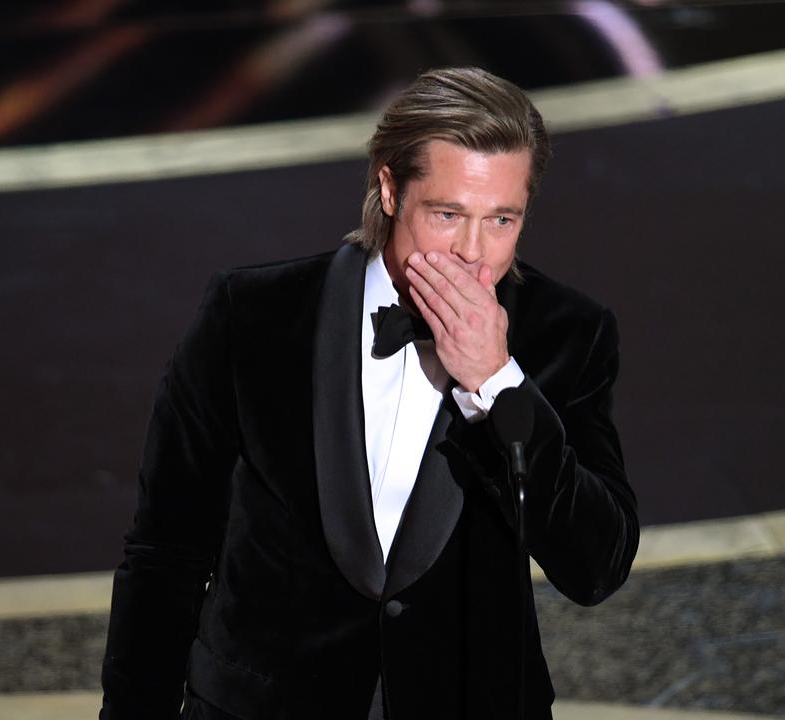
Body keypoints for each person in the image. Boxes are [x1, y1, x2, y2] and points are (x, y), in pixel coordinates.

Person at [99, 67, 639, 720]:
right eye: (447, 214)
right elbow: (166, 551)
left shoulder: (565, 333)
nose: (474, 253)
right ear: (389, 188)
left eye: (501, 219)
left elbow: (596, 567)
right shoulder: (251, 316)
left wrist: (498, 385)